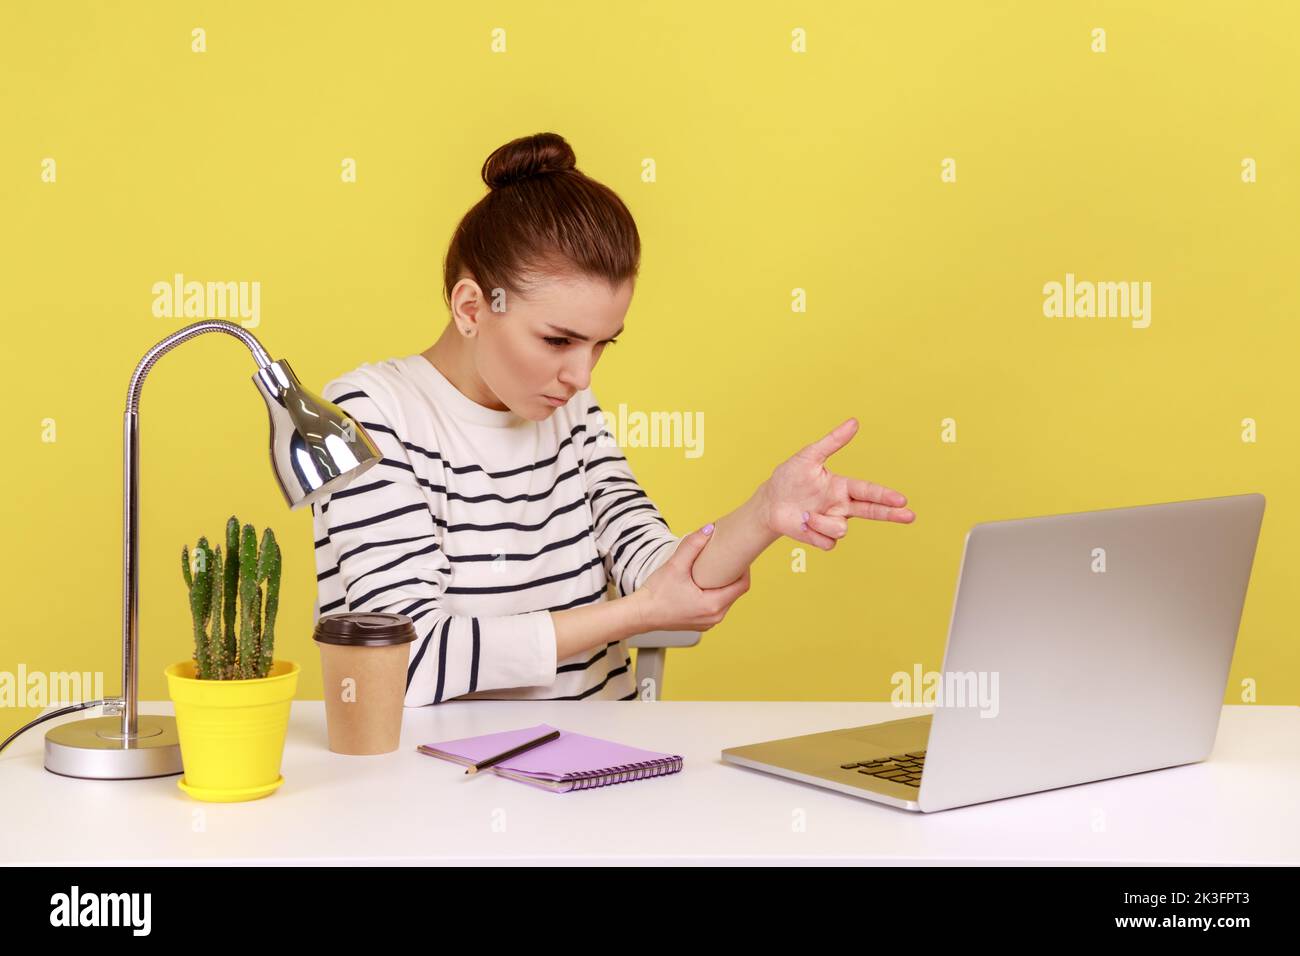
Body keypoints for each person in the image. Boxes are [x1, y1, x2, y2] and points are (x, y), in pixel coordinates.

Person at [312, 131, 916, 706]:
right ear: (472, 307)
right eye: (557, 341)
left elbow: (659, 571)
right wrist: (637, 614)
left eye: (602, 345)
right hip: (443, 783)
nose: (582, 375)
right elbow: (407, 659)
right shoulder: (366, 416)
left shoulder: (568, 410)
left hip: (602, 765)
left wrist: (766, 511)